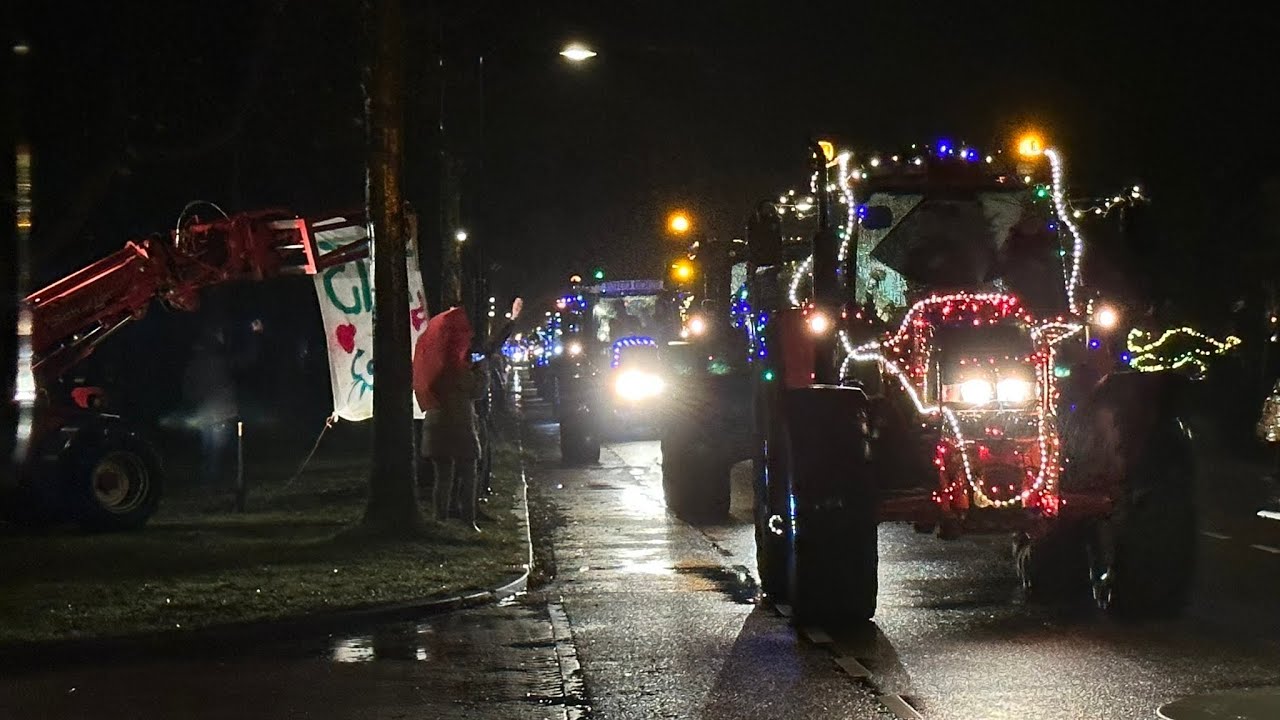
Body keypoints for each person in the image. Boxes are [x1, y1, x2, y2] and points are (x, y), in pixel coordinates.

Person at [414, 307, 482, 530]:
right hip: (460, 426)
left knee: (443, 476)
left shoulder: (433, 367)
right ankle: (468, 519)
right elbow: (477, 390)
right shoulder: (458, 369)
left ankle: (440, 517)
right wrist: (482, 372)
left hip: (435, 427)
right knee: (468, 473)